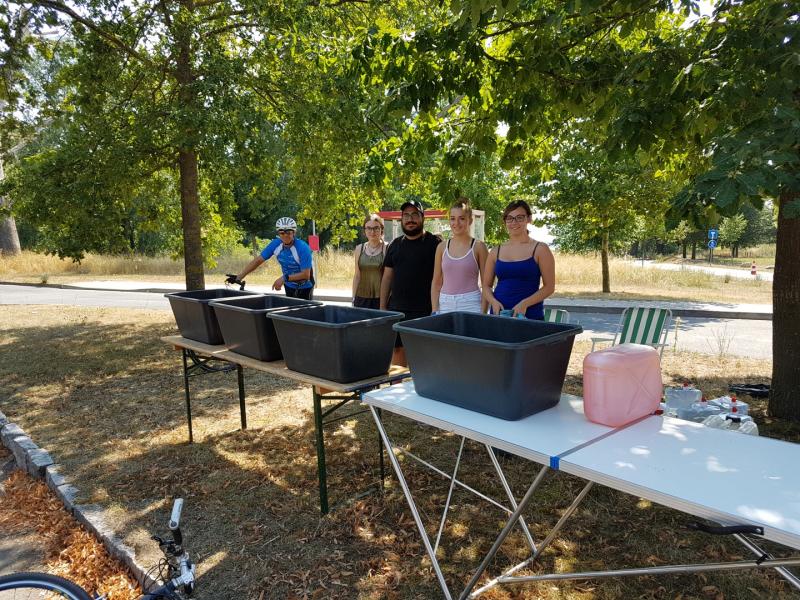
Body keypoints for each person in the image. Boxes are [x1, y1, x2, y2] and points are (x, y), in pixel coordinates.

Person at [380, 199, 441, 365]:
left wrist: (436, 310)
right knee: (397, 352)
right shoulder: (394, 245)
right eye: (406, 215)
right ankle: (398, 382)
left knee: (423, 356)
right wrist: (383, 308)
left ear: (423, 218)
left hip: (425, 312)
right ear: (401, 219)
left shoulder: (436, 244)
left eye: (414, 214)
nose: (410, 219)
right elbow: (387, 278)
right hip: (397, 311)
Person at [482, 200, 555, 319]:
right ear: (505, 221)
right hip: (499, 315)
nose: (514, 222)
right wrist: (493, 302)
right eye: (509, 218)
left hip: (529, 316)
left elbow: (549, 287)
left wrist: (524, 304)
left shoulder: (540, 249)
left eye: (519, 218)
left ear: (529, 219)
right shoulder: (496, 251)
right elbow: (486, 286)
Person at [228, 217, 315, 300]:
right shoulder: (276, 244)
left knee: (302, 310)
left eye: (288, 232)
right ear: (278, 233)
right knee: (290, 309)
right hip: (289, 285)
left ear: (294, 233)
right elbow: (258, 260)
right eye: (282, 233)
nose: (285, 235)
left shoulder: (303, 247)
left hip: (305, 286)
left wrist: (284, 278)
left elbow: (305, 275)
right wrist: (240, 276)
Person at [431, 199, 488, 314]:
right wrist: (435, 310)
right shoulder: (441, 247)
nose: (456, 223)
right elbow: (436, 283)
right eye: (453, 218)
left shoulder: (479, 247)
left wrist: (483, 313)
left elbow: (487, 284)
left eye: (461, 218)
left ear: (470, 220)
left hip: (471, 304)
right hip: (445, 304)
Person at [352, 214, 387, 309]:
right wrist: (353, 298)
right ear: (364, 230)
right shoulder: (359, 249)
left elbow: (390, 278)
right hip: (361, 299)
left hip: (381, 299)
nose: (372, 232)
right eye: (369, 228)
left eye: (376, 228)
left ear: (381, 229)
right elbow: (357, 276)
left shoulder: (387, 248)